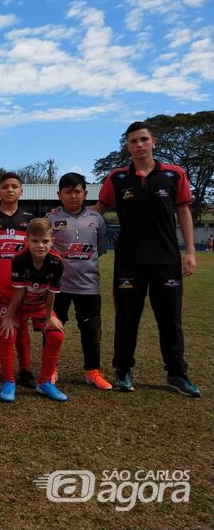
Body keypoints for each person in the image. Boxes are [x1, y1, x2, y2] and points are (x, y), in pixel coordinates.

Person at [94, 121, 201, 397]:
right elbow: (98, 211)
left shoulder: (174, 175)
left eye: (143, 139)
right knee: (127, 317)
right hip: (129, 261)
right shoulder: (117, 178)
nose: (139, 145)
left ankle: (177, 374)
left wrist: (189, 251)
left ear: (153, 141)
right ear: (127, 146)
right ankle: (123, 371)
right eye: (133, 141)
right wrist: (65, 221)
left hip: (166, 259)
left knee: (170, 318)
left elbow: (184, 213)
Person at [46, 173, 111, 390]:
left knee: (91, 330)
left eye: (78, 191)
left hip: (88, 286)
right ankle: (50, 370)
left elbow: (99, 249)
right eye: (68, 191)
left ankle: (92, 371)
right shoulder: (51, 218)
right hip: (58, 286)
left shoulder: (97, 219)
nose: (73, 196)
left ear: (85, 193)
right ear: (59, 194)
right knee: (53, 328)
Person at [0, 218, 68, 402]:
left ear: (52, 241)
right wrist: (9, 317)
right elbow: (19, 292)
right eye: (35, 241)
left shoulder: (56, 262)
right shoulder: (19, 260)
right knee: (7, 332)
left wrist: (48, 317)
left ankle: (45, 382)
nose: (40, 246)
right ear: (26, 240)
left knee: (55, 335)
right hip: (18, 305)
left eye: (45, 241)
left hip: (40, 305)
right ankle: (8, 381)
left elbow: (52, 293)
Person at [0, 172, 37, 389]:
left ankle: (25, 369)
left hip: (21, 284)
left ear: (21, 190)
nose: (10, 190)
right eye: (5, 186)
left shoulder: (29, 218)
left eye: (14, 186)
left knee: (21, 326)